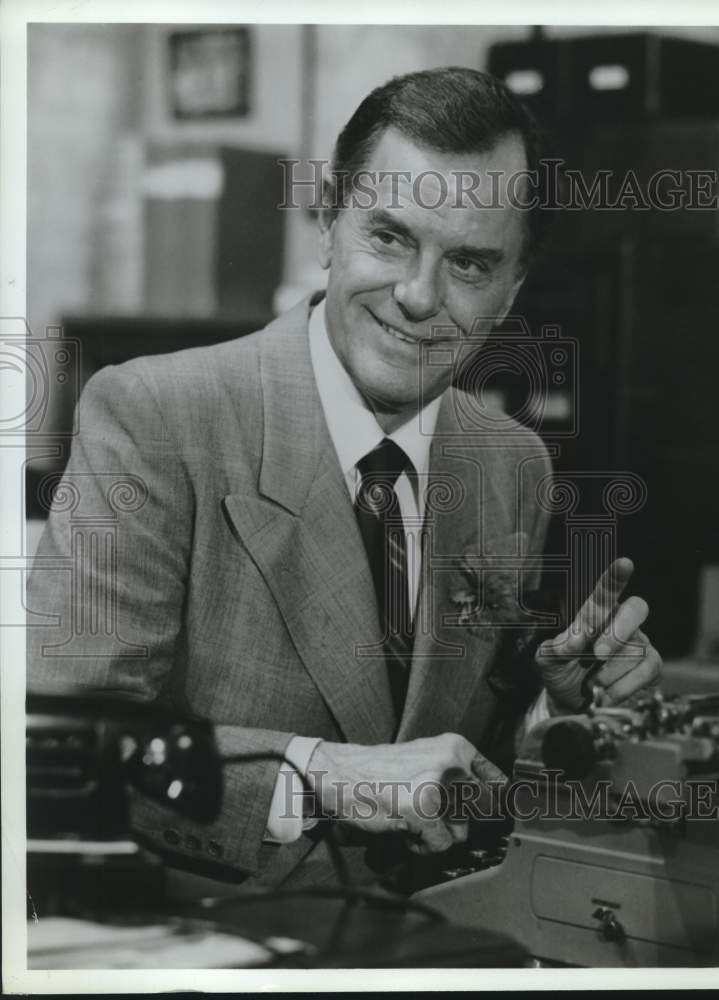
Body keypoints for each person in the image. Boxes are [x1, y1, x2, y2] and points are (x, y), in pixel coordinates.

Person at [26, 67, 661, 888]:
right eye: (389, 237)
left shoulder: (512, 463)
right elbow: (59, 749)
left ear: (511, 292)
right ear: (326, 223)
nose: (416, 295)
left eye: (468, 264)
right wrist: (321, 774)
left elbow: (464, 769)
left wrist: (559, 714)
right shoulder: (156, 416)